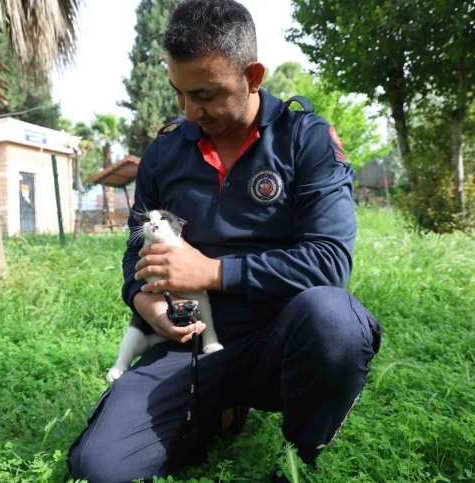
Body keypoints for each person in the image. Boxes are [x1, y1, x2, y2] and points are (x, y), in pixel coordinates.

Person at [67, 0, 382, 481]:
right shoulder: (165, 151)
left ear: (253, 76)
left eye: (206, 95)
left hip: (280, 342)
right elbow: (136, 254)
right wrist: (143, 301)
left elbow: (329, 262)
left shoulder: (306, 140)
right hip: (188, 343)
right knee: (99, 470)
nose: (191, 110)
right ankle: (215, 410)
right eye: (180, 93)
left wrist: (212, 272)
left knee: (335, 320)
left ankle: (300, 459)